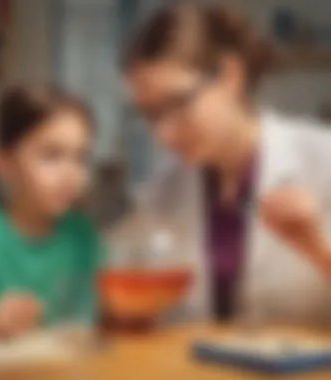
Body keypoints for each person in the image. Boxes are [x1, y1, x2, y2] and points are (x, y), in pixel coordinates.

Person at [117, 3, 331, 324]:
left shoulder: (321, 158)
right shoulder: (162, 191)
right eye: (150, 114)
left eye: (177, 104)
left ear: (230, 75)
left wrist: (318, 245)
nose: (162, 133)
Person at [0, 85, 103, 337]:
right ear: (4, 162)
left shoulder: (81, 233)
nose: (71, 174)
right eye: (51, 156)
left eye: (80, 157)